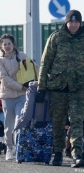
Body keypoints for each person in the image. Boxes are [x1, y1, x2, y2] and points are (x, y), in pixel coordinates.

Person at [35, 10, 84, 168]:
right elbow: (45, 63)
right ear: (66, 22)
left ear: (80, 23)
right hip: (58, 87)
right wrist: (41, 88)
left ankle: (77, 153)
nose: (74, 25)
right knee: (58, 122)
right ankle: (57, 154)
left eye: (77, 22)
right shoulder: (56, 37)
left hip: (78, 87)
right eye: (71, 22)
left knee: (77, 121)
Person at [0, 34, 28, 160]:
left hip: (21, 95)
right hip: (7, 96)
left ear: (13, 44)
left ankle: (20, 147)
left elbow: (33, 69)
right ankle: (9, 148)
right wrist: (20, 86)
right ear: (2, 46)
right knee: (8, 125)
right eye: (4, 44)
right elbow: (4, 79)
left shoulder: (22, 56)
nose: (7, 46)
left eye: (9, 43)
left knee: (20, 121)